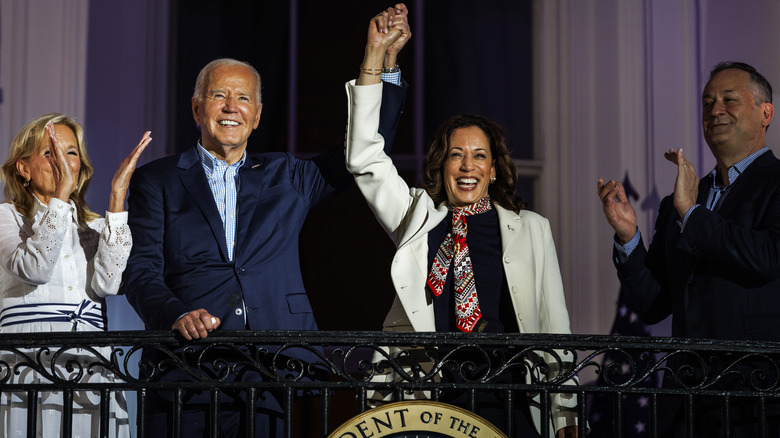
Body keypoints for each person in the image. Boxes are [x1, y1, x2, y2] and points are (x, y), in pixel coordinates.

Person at [122, 5, 411, 437]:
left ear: (257, 116)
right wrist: (176, 315)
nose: (231, 107)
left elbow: (366, 147)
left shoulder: (287, 176)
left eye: (243, 98)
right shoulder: (157, 180)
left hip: (272, 372)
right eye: (219, 96)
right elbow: (140, 271)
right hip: (184, 373)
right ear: (198, 108)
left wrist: (378, 63)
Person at [343, 12, 580, 438]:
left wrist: (565, 414)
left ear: (493, 170)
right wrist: (374, 57)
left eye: (479, 156)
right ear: (443, 164)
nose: (467, 165)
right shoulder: (417, 215)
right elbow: (364, 159)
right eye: (457, 154)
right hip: (428, 398)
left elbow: (553, 326)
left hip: (509, 395)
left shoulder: (531, 229)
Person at [597, 62, 780, 436]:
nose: (715, 111)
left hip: (757, 402)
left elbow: (768, 257)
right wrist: (628, 237)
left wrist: (692, 214)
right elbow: (654, 305)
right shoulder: (678, 202)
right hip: (684, 404)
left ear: (765, 113)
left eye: (730, 100)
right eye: (707, 102)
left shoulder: (772, 185)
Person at [0, 114, 150, 437]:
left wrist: (116, 197)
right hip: (28, 368)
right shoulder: (6, 217)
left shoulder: (93, 227)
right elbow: (34, 267)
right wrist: (61, 196)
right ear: (23, 168)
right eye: (49, 151)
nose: (63, 162)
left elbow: (109, 283)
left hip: (89, 368)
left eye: (71, 152)